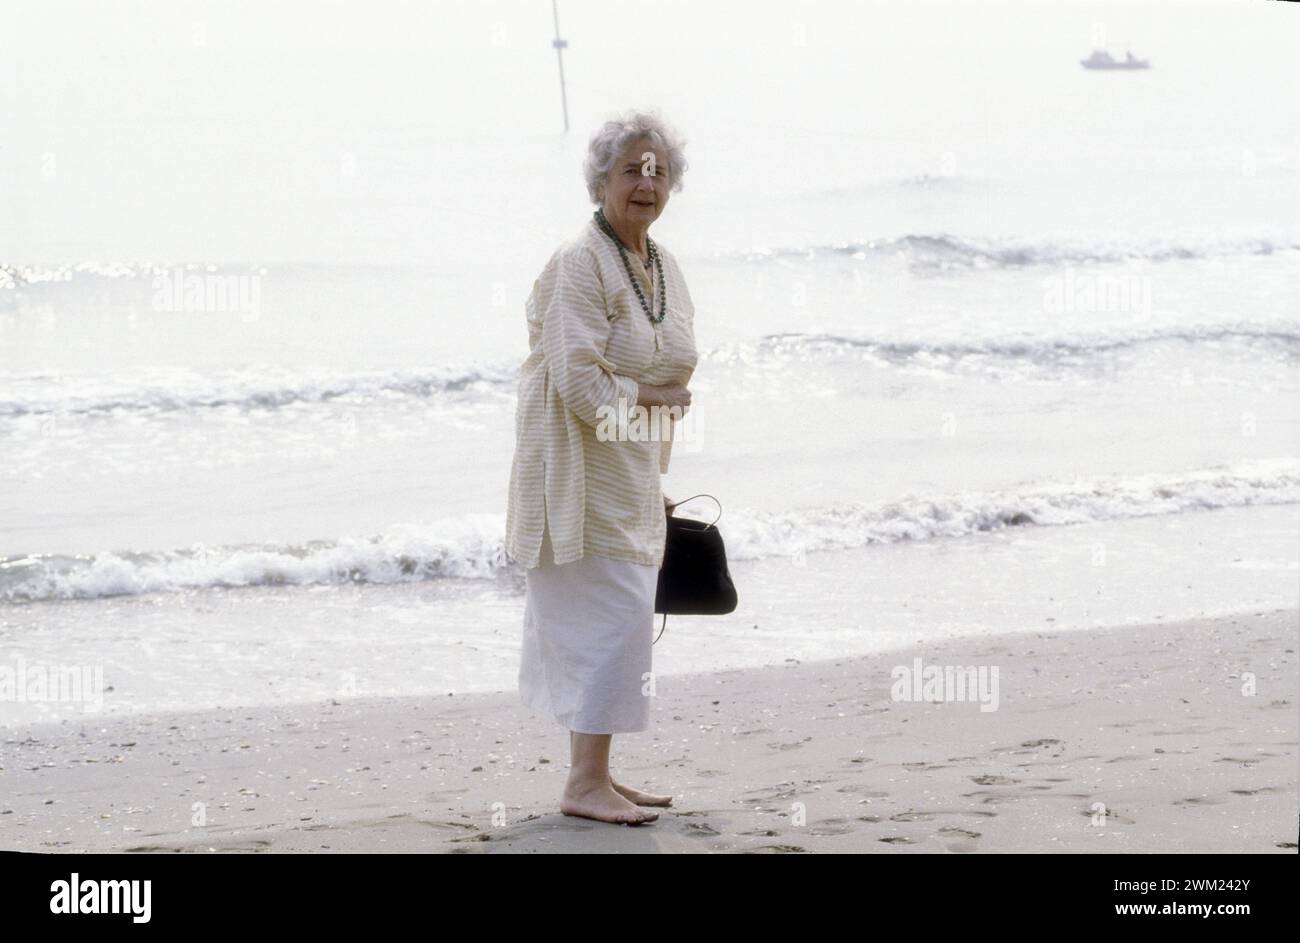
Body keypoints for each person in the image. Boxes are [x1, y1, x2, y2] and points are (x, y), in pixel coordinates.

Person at [505, 109, 698, 825]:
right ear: (602, 180)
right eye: (631, 169)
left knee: (622, 619)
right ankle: (584, 783)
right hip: (574, 470)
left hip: (629, 468)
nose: (646, 183)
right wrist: (653, 397)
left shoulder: (661, 264)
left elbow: (665, 363)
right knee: (610, 619)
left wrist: (653, 452)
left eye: (658, 171)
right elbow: (581, 383)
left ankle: (598, 774)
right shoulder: (576, 263)